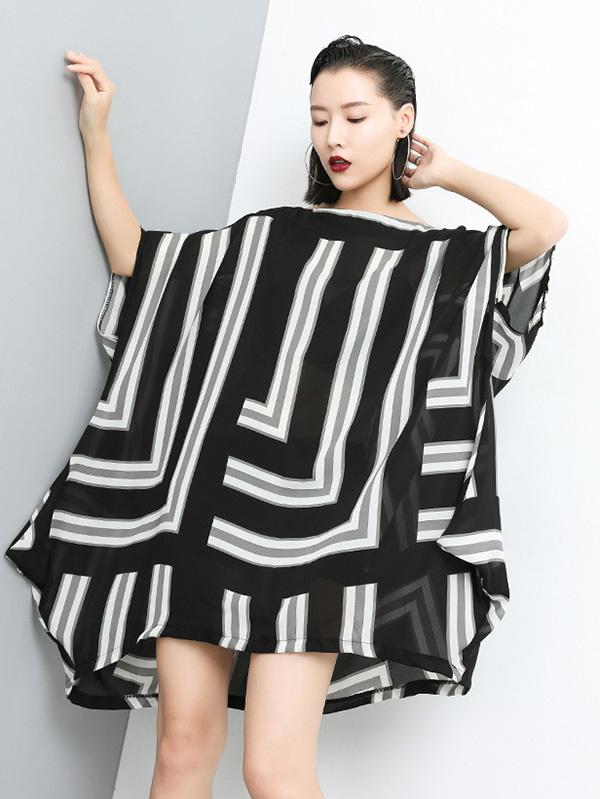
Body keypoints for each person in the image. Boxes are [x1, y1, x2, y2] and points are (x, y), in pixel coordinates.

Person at [7, 35, 567, 799]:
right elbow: (139, 261)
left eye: (356, 117)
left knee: (272, 768)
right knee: (180, 747)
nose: (335, 137)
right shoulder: (266, 234)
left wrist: (447, 172)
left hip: (329, 537)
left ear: (403, 120)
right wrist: (96, 132)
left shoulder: (438, 257)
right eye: (319, 118)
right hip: (208, 522)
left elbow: (543, 226)